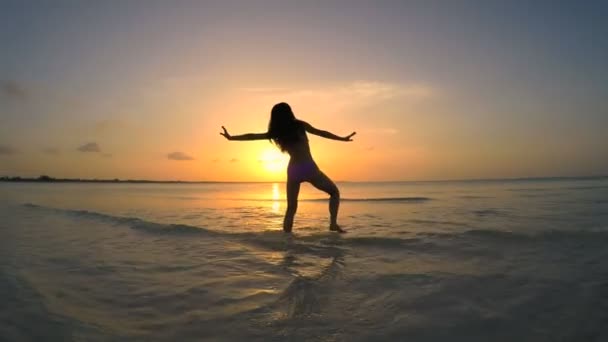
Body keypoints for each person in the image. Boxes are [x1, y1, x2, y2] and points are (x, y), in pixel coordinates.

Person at [220, 102, 356, 233]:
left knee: (291, 207)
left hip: (293, 169)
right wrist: (342, 139)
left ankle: (287, 240)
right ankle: (333, 224)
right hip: (308, 167)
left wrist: (231, 138)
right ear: (290, 113)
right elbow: (321, 133)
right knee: (334, 192)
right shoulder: (299, 125)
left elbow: (253, 136)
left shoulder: (276, 132)